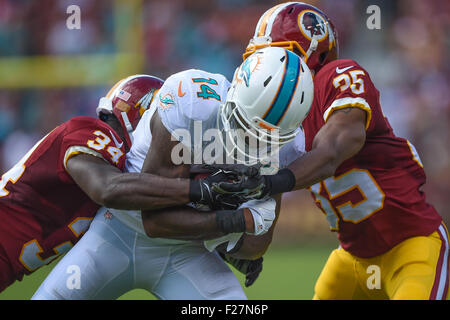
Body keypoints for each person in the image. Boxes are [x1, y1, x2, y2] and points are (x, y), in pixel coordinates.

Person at [32, 47, 315, 299]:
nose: (251, 143)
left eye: (266, 138)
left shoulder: (288, 146)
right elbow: (155, 221)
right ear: (234, 93)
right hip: (117, 231)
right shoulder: (191, 100)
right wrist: (236, 220)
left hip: (188, 252)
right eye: (245, 126)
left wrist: (240, 227)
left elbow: (255, 246)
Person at [223, 2, 448, 300]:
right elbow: (267, 207)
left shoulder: (338, 75)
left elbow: (332, 152)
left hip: (412, 246)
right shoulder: (281, 119)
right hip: (352, 258)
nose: (264, 68)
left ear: (309, 53)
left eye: (274, 56)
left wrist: (272, 180)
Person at [0, 74, 240, 293]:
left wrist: (224, 245)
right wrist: (200, 191)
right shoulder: (92, 133)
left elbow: (144, 205)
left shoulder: (123, 171)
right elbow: (107, 189)